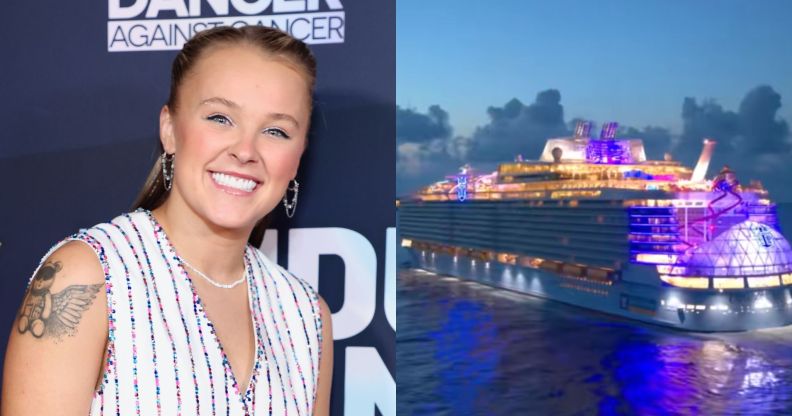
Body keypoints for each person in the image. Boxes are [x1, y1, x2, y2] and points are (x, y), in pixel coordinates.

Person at [2, 26, 333, 415]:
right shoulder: (87, 277)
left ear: (298, 156)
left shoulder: (307, 315)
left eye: (276, 131)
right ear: (170, 129)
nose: (245, 151)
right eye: (220, 118)